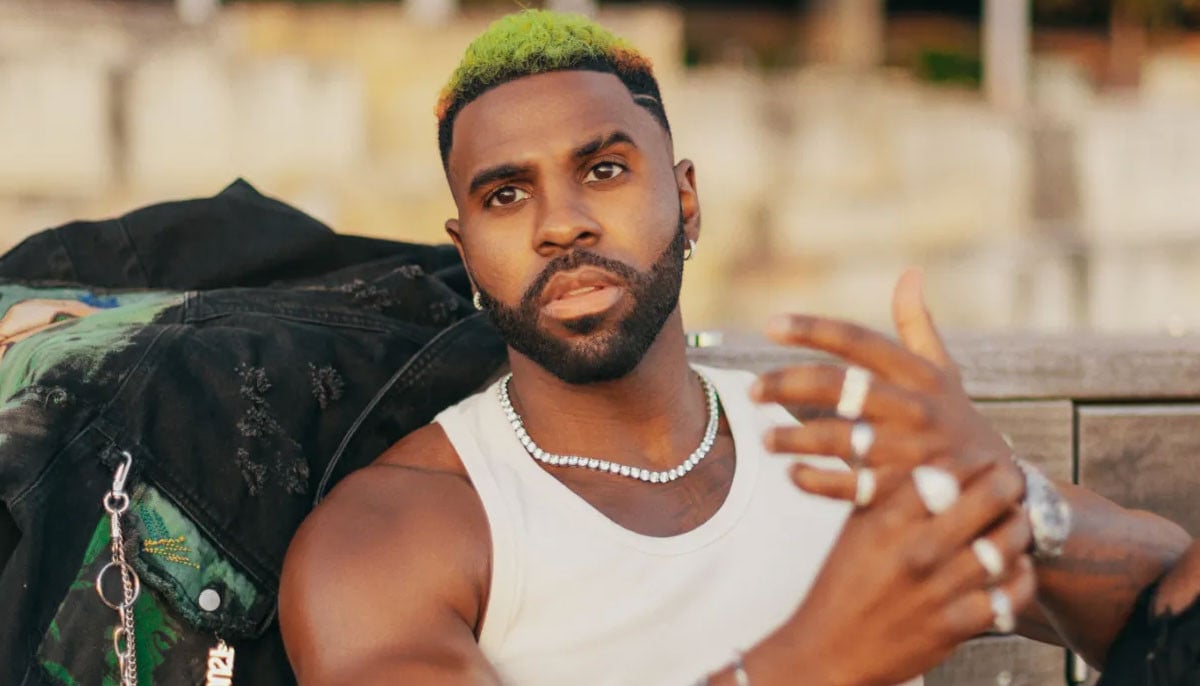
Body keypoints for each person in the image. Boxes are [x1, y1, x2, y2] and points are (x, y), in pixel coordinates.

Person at [278, 10, 1191, 685]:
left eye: (604, 169)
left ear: (687, 200)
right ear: (467, 247)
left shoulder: (838, 454)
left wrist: (1012, 498)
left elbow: (1173, 608)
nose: (561, 222)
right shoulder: (394, 535)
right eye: (506, 195)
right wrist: (808, 663)